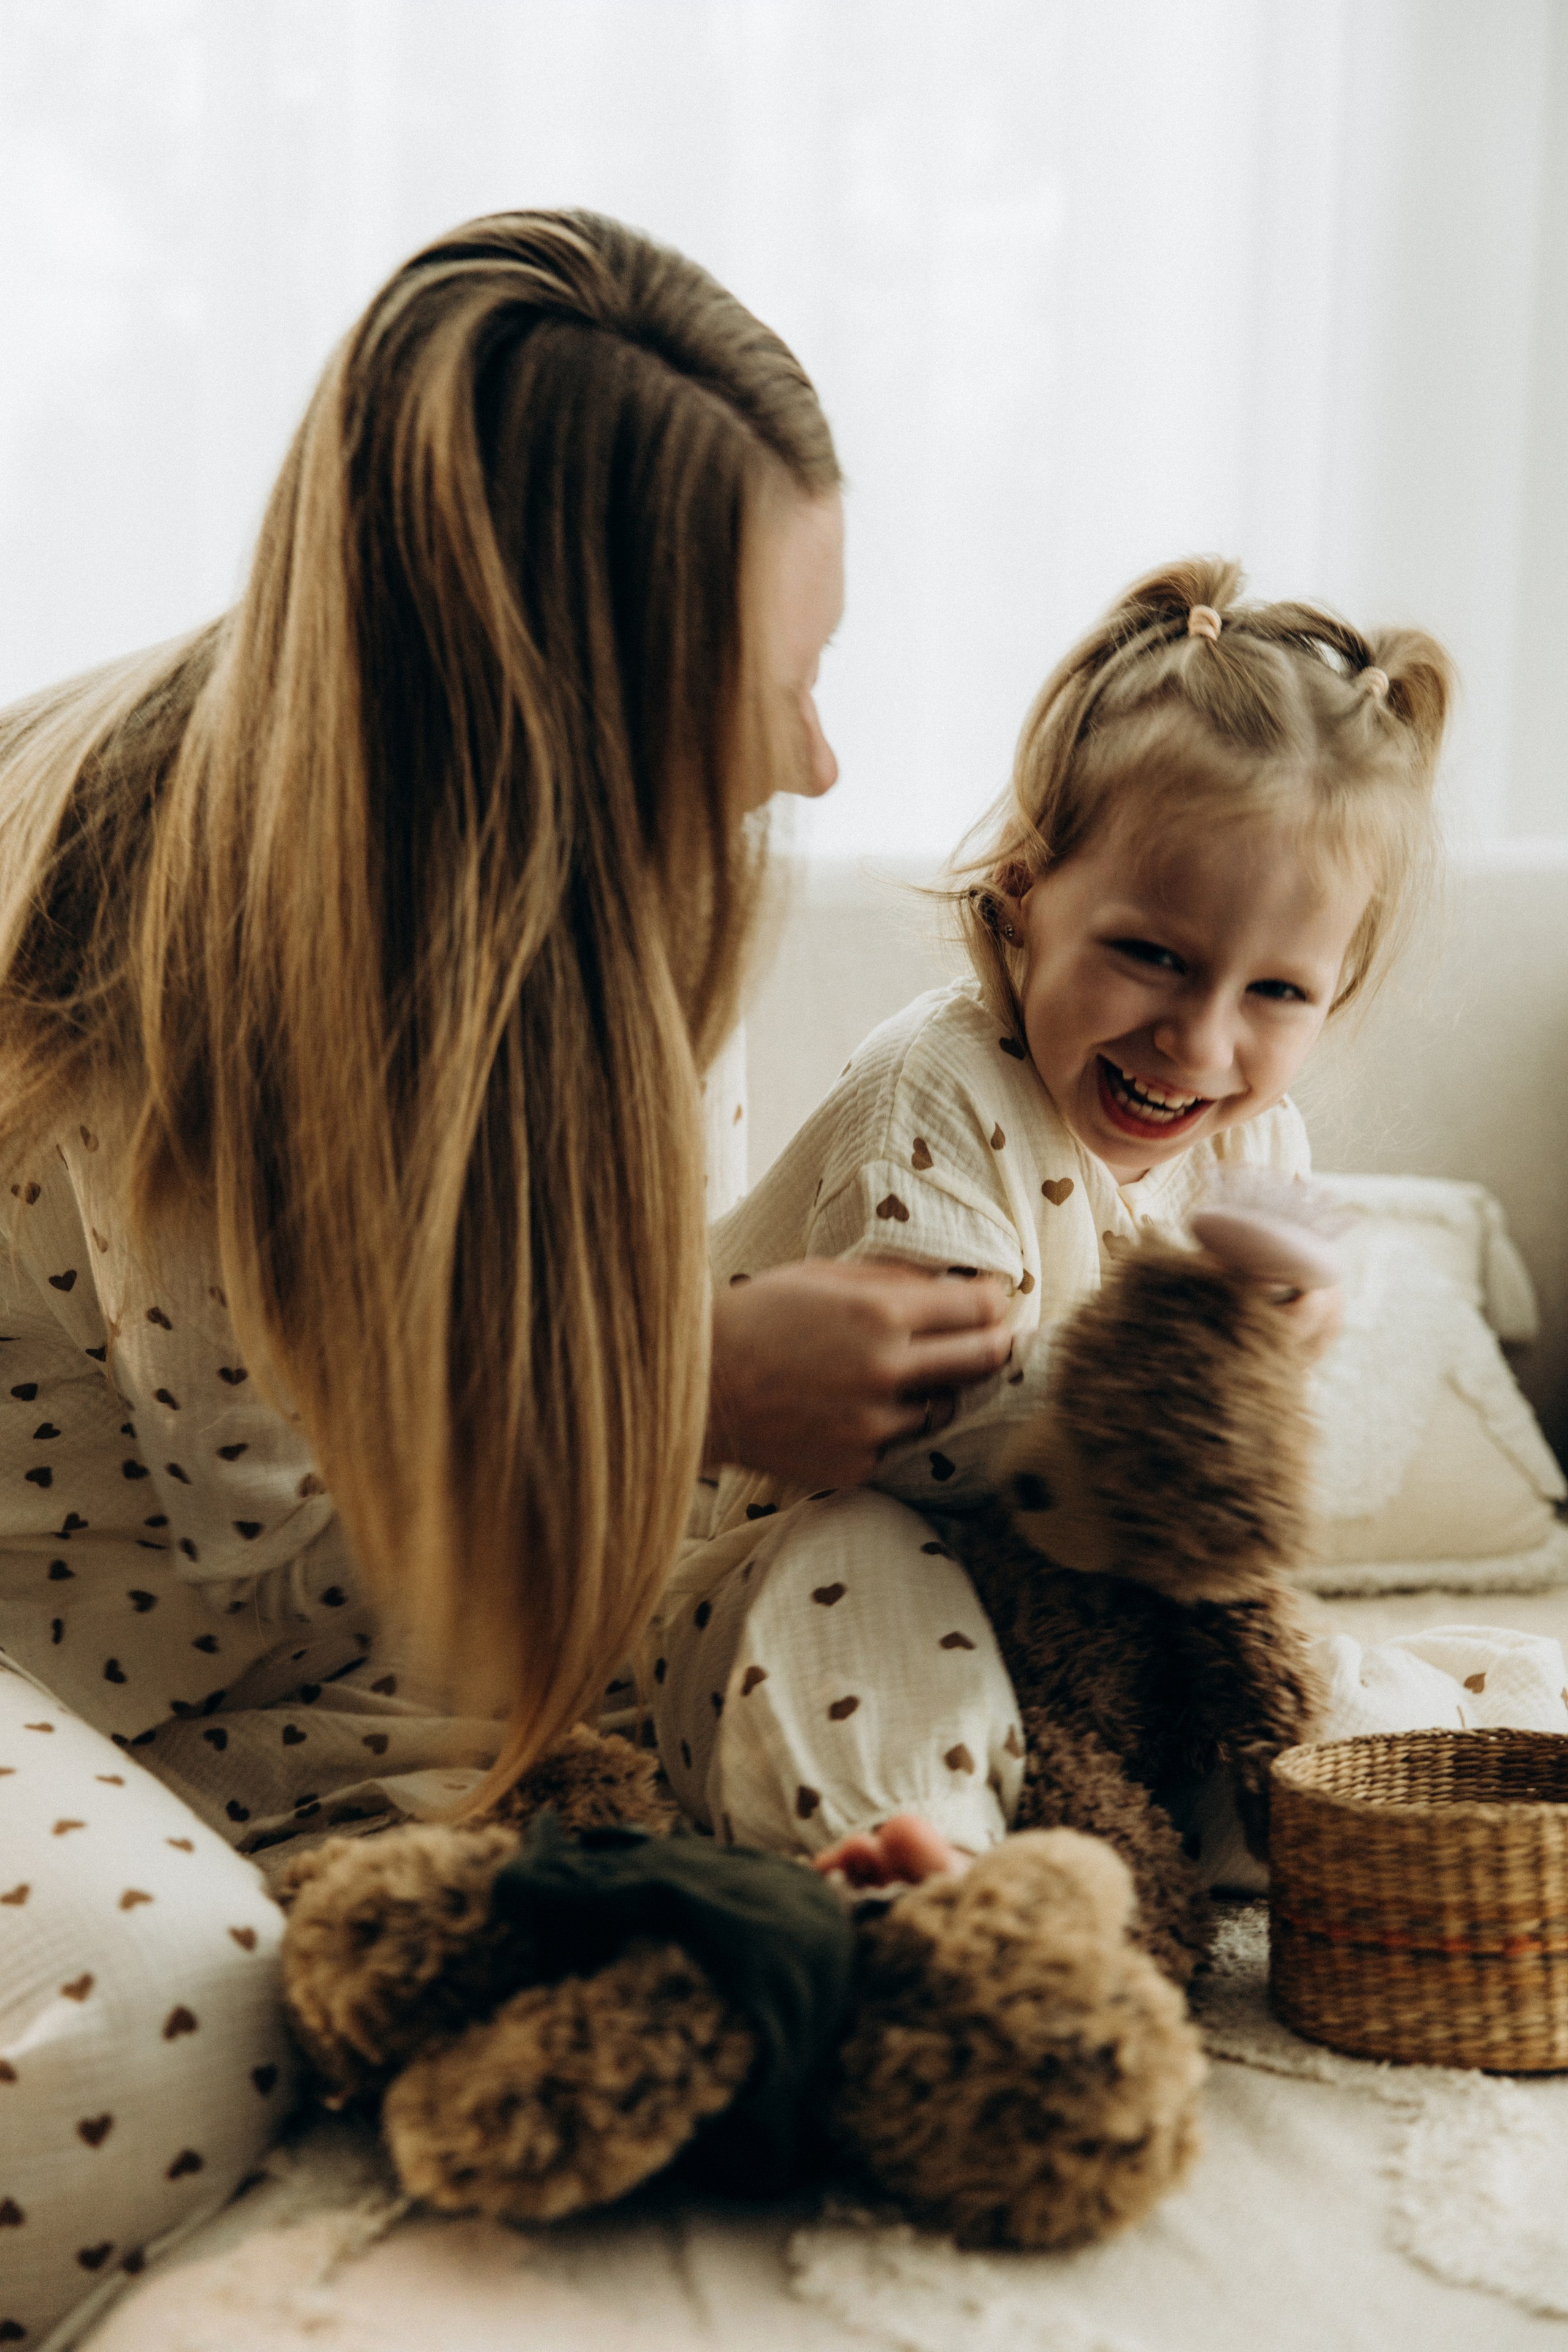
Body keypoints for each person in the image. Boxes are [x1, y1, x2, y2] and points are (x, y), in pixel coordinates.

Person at [0, 209, 1011, 2347]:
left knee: (861, 1553)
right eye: (770, 692)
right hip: (97, 1659)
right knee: (166, 2038)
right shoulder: (159, 918)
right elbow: (260, 1488)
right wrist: (694, 1384)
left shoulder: (604, 888)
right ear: (554, 701)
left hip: (367, 1642)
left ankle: (907, 1887)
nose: (816, 763)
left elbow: (564, 1390)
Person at [650, 557, 1453, 1885]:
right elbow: (929, 1446)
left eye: (1276, 992)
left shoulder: (1253, 1144)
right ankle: (927, 1863)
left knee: (1318, 1681)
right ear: (1024, 891)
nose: (1198, 1042)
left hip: (1073, 1643)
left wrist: (1271, 1374)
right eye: (1152, 956)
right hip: (778, 1601)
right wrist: (1202, 1373)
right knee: (856, 1567)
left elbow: (1216, 1506)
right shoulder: (935, 1088)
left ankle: (1302, 1824)